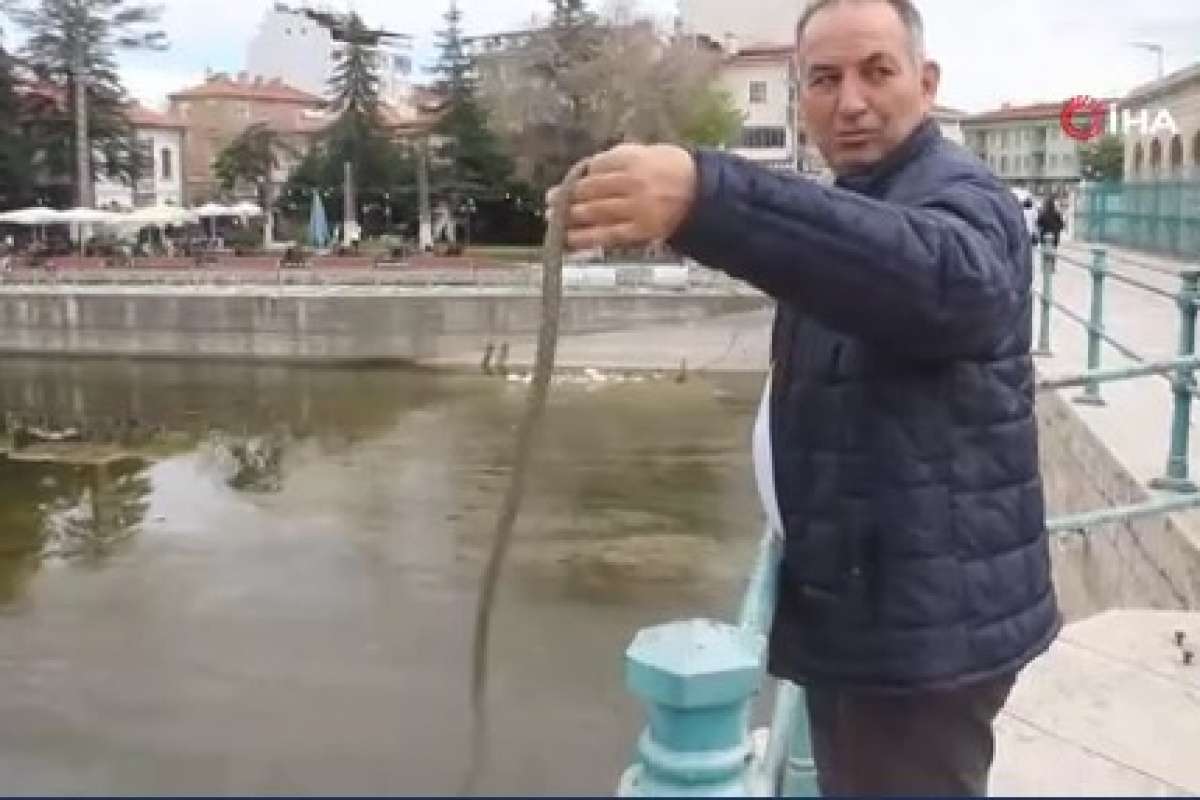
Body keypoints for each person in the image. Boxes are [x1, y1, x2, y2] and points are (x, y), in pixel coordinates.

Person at [553, 0, 1060, 795]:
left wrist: (708, 199)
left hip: (922, 634)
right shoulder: (865, 196)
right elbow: (842, 261)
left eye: (876, 72)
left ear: (926, 85)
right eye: (823, 80)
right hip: (872, 610)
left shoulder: (963, 196)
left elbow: (940, 279)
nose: (849, 101)